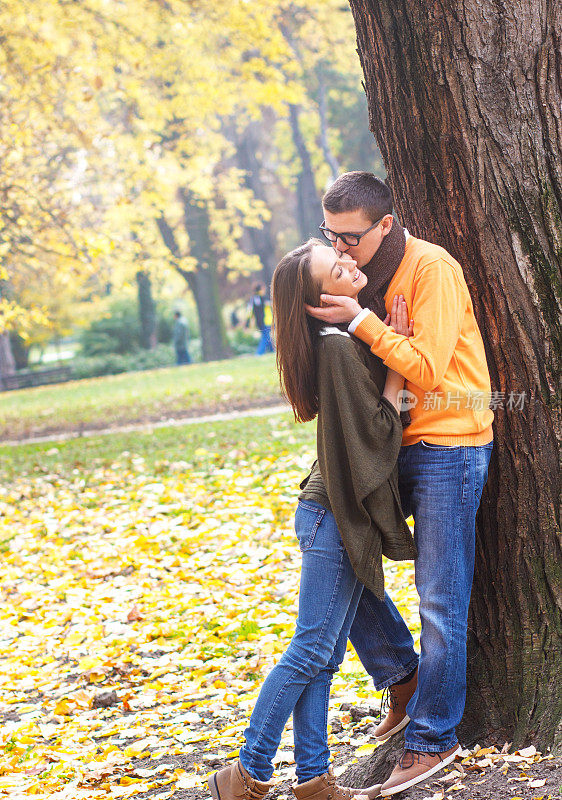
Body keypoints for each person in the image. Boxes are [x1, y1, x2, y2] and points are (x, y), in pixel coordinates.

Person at [307, 171, 494, 796]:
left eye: (351, 237)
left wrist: (363, 320)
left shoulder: (430, 268)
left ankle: (432, 738)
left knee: (440, 599)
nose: (339, 250)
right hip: (386, 446)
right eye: (329, 236)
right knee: (346, 566)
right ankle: (403, 677)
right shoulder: (354, 276)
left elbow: (429, 368)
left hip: (449, 442)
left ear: (385, 224)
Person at [208, 240, 417, 800]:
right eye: (336, 268)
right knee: (309, 651)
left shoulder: (343, 339)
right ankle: (246, 772)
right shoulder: (336, 349)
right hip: (331, 516)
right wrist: (400, 362)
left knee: (322, 659)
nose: (350, 264)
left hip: (332, 514)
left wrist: (382, 337)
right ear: (318, 299)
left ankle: (314, 780)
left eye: (342, 256)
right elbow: (377, 431)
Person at [247, 283, 274, 355]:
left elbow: (250, 311)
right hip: (266, 320)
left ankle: (272, 350)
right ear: (260, 290)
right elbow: (271, 305)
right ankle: (259, 353)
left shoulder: (253, 299)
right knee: (265, 337)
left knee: (266, 335)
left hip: (260, 321)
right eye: (263, 289)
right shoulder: (263, 298)